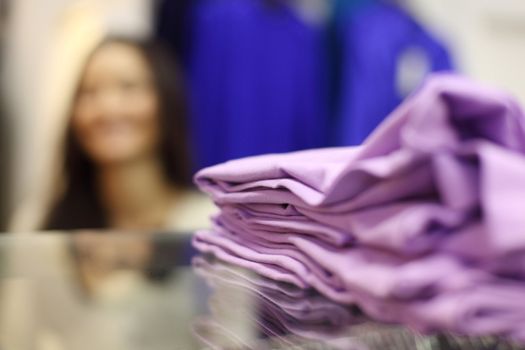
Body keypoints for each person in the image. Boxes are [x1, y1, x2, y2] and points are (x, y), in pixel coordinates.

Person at [40, 36, 215, 231]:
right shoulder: (42, 220)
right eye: (89, 91)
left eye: (128, 87)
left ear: (166, 101)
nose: (108, 107)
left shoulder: (212, 225)